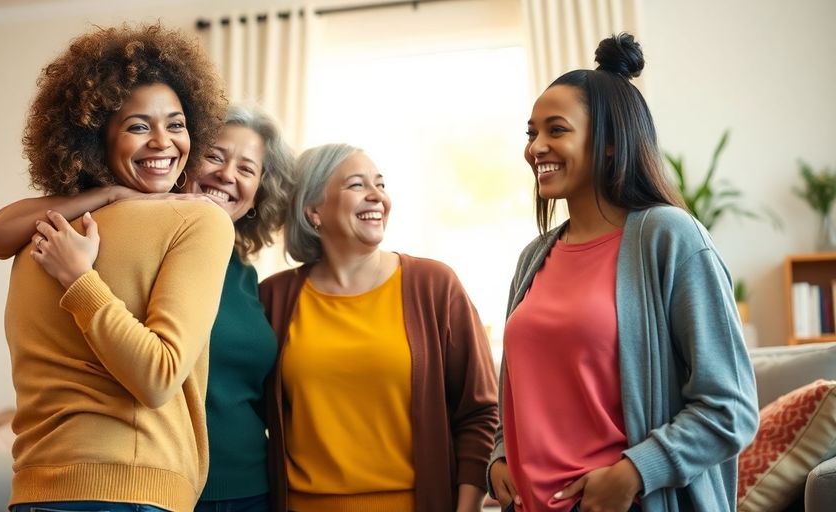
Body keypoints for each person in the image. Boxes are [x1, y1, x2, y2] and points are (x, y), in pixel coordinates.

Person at [486, 33, 758, 512]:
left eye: (556, 130)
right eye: (531, 134)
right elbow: (523, 391)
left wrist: (635, 472)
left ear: (610, 144)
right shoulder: (533, 259)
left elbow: (730, 408)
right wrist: (501, 454)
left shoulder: (669, 238)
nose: (536, 148)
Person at [0, 105, 295, 511]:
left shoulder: (249, 280)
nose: (227, 174)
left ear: (257, 195)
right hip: (161, 480)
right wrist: (107, 196)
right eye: (216, 156)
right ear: (186, 160)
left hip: (251, 486)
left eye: (247, 169)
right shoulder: (132, 236)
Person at [0, 24, 235, 512]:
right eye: (138, 126)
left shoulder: (36, 233)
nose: (163, 142)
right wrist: (82, 282)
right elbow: (158, 375)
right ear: (95, 136)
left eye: (176, 124)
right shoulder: (197, 220)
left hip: (35, 492)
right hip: (131, 490)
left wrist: (104, 196)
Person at [258, 144, 499, 512]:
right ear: (313, 211)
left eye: (380, 184)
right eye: (357, 185)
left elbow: (480, 412)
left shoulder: (434, 285)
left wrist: (466, 508)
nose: (377, 197)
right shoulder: (274, 298)